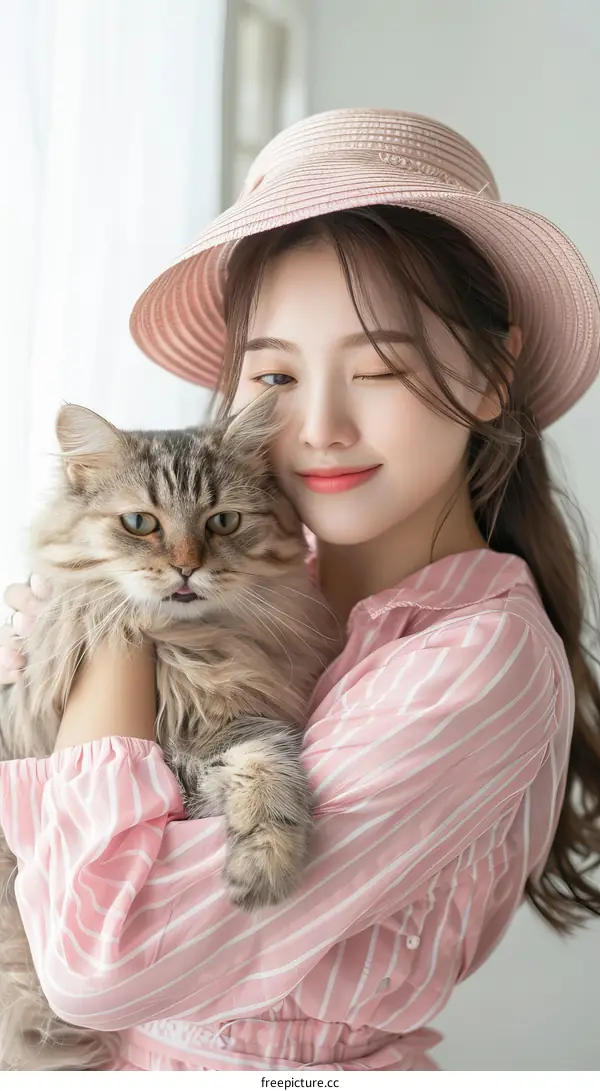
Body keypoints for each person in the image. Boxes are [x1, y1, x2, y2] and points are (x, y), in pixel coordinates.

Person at [1, 108, 600, 1072]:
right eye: (276, 376)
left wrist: (103, 630)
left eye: (381, 367)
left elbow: (99, 960)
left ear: (492, 375)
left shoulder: (477, 661)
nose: (318, 424)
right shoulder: (269, 583)